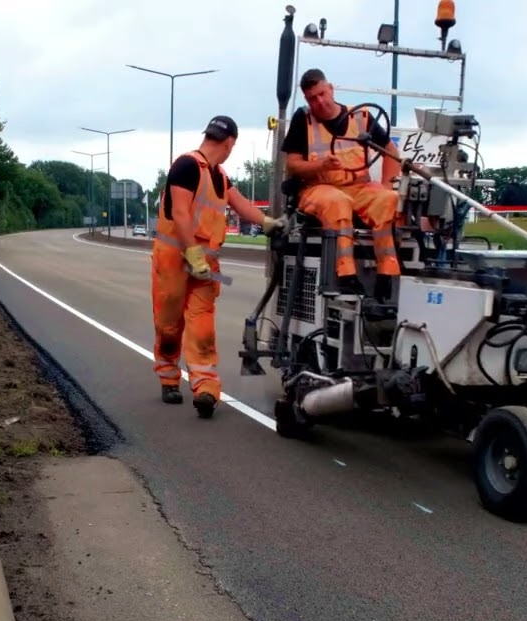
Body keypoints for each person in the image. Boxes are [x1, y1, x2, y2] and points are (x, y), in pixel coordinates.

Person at [151, 115, 286, 418]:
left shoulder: (220, 176)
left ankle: (206, 389)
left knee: (202, 327)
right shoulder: (186, 167)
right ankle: (169, 378)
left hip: (204, 265)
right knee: (169, 325)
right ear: (230, 143)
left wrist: (266, 222)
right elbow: (181, 215)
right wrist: (193, 255)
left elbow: (239, 203)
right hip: (175, 259)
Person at [282, 68, 403, 300]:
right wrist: (320, 166)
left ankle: (387, 274)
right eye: (312, 99)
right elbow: (293, 165)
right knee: (337, 202)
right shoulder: (303, 119)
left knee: (389, 200)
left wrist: (387, 185)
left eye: (321, 94)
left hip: (359, 188)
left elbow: (390, 151)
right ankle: (345, 275)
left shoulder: (361, 117)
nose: (319, 102)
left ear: (331, 89)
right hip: (318, 189)